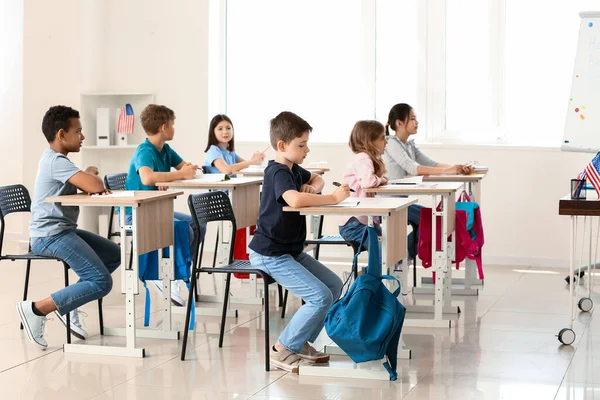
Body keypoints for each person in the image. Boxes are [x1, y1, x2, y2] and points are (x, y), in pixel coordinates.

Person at [248, 111, 349, 372]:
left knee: (334, 285)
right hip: (270, 253)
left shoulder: (293, 169)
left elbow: (317, 177)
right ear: (282, 146)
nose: (307, 149)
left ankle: (300, 341)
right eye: (301, 145)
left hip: (289, 251)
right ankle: (283, 348)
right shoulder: (277, 171)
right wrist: (332, 198)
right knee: (319, 296)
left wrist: (314, 187)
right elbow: (294, 200)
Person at [17, 105, 121, 347]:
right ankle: (37, 309)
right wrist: (90, 175)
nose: (82, 136)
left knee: (114, 254)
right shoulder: (55, 161)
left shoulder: (58, 161)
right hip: (49, 237)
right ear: (62, 134)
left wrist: (87, 175)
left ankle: (68, 304)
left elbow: (89, 182)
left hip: (62, 231)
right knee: (101, 282)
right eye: (79, 131)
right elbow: (95, 185)